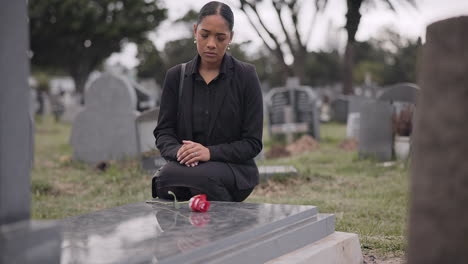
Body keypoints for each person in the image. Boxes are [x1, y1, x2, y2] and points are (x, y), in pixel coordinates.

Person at [153, 1, 263, 202]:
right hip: (186, 167)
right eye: (205, 35)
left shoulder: (246, 75)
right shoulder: (176, 76)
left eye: (220, 38)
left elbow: (252, 143)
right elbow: (164, 132)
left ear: (231, 37)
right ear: (195, 31)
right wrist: (182, 152)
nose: (211, 44)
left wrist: (208, 153)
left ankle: (225, 228)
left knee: (203, 178)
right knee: (164, 178)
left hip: (233, 171)